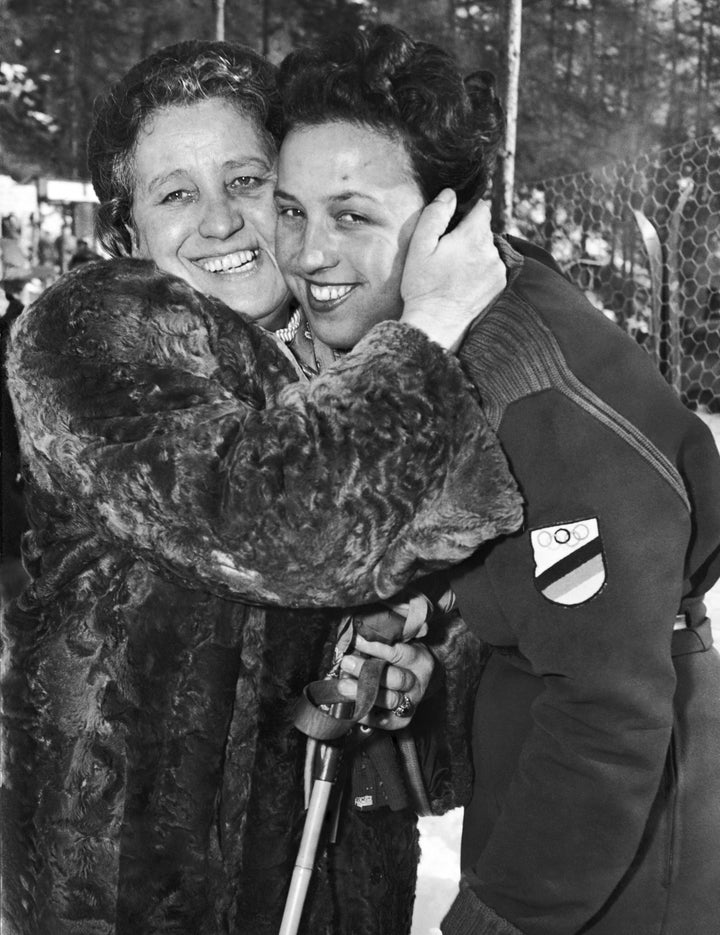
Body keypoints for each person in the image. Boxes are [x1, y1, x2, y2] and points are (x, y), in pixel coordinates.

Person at [1, 40, 521, 935]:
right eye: (175, 194)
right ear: (127, 235)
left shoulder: (352, 361)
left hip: (328, 890)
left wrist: (407, 681)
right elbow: (272, 524)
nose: (221, 222)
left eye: (246, 182)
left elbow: (457, 631)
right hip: (138, 889)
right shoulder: (90, 332)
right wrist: (431, 323)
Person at [274, 24, 720, 935]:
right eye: (291, 209)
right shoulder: (458, 326)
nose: (309, 253)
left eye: (352, 214)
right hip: (542, 763)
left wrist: (501, 916)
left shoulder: (530, 386)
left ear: (449, 217)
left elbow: (611, 712)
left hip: (620, 841)